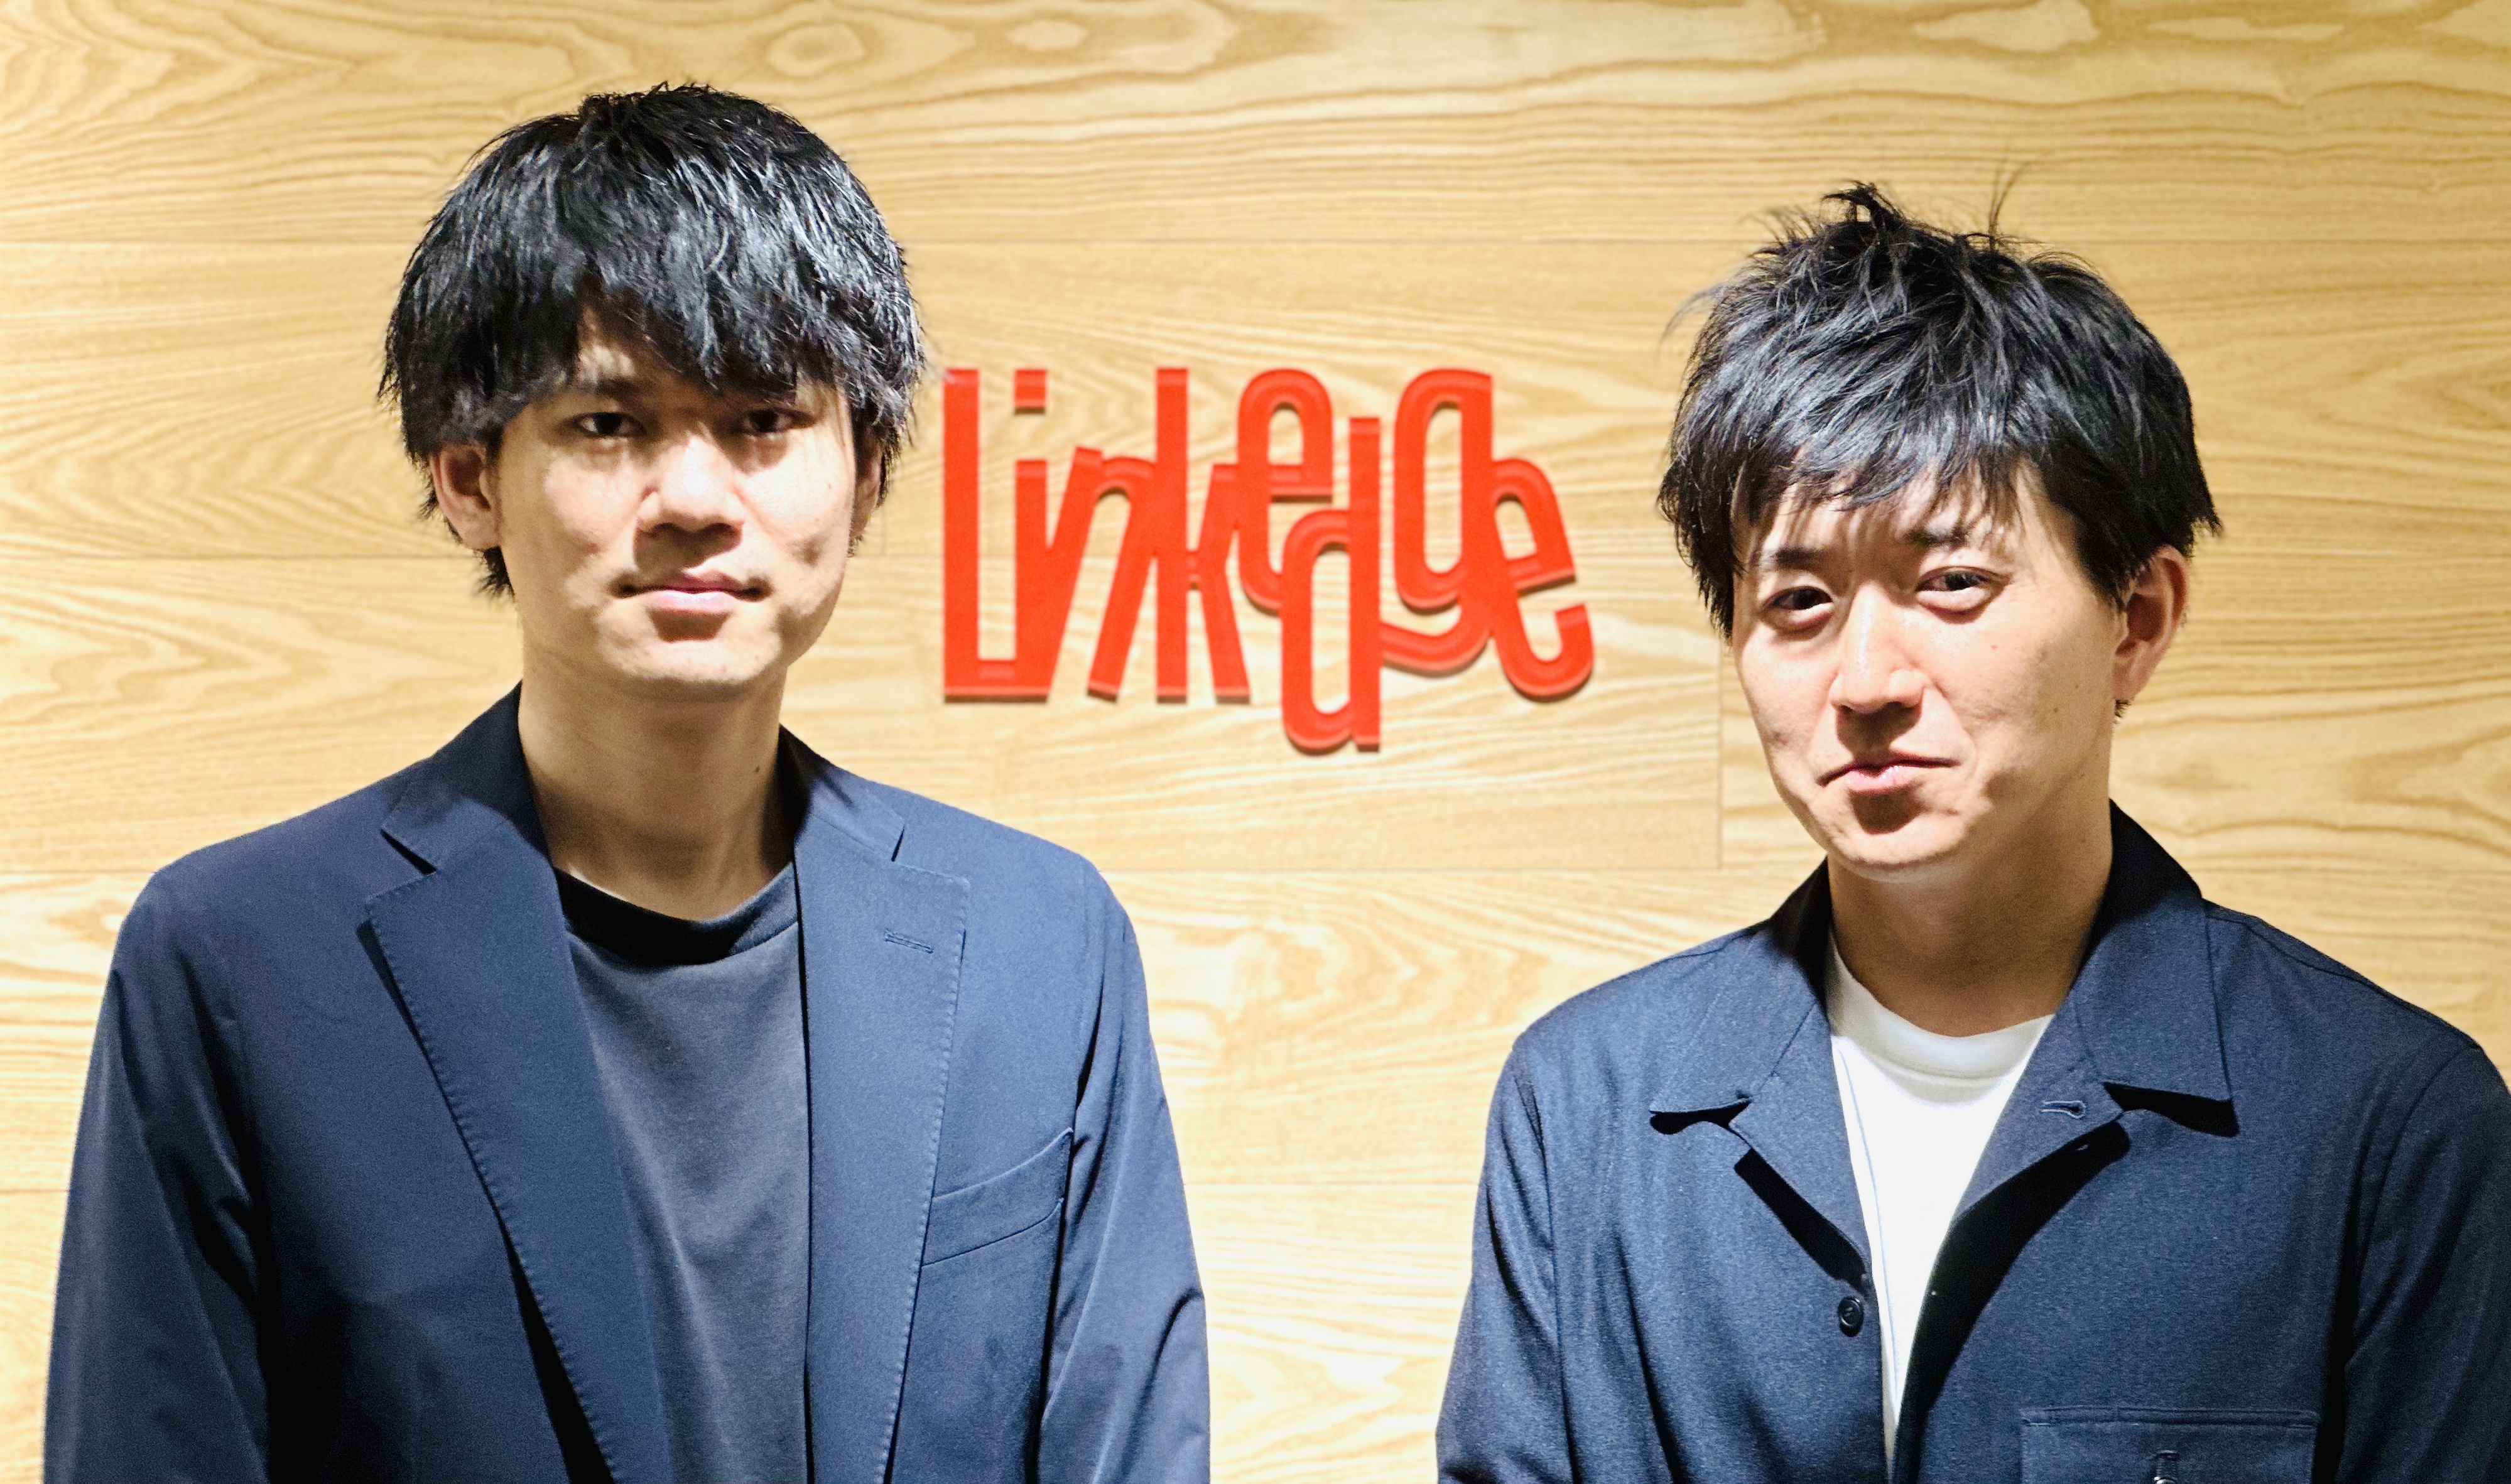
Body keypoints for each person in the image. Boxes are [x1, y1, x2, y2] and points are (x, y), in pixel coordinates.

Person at [46, 85, 1207, 1484]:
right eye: (608, 423)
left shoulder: (1041, 942)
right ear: (467, 477)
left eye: (765, 416)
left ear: (868, 473)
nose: (696, 500)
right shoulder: (239, 956)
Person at [1436, 186, 2511, 1481]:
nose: (1865, 679)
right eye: (1798, 599)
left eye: (1951, 582)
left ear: (2136, 620)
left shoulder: (2390, 1124)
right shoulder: (1587, 1102)